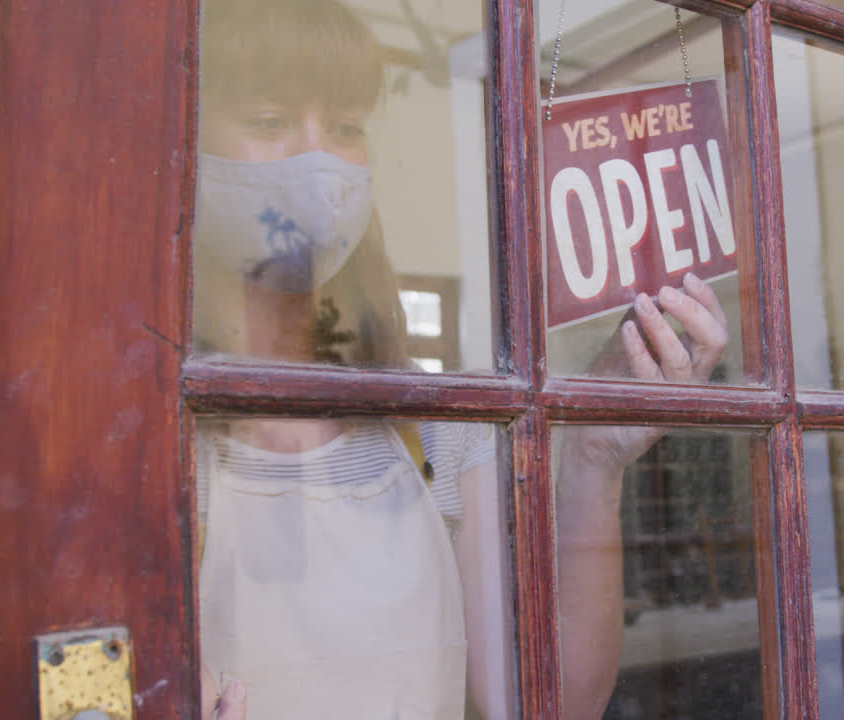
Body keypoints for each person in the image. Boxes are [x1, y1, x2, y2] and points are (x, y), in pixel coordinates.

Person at [192, 0, 730, 718]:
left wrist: (594, 460)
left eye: (348, 127)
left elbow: (553, 702)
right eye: (268, 121)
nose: (318, 158)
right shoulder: (141, 437)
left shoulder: (441, 429)